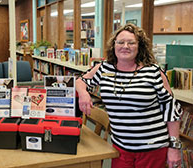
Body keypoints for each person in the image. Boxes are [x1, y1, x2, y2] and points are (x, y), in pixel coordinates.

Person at [76, 23, 183, 168]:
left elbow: (172, 109)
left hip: (152, 149)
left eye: (131, 43)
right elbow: (81, 81)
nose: (125, 46)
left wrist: (174, 147)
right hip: (120, 147)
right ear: (114, 45)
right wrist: (83, 94)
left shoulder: (153, 72)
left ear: (140, 47)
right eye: (120, 42)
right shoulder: (104, 68)